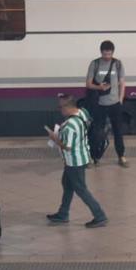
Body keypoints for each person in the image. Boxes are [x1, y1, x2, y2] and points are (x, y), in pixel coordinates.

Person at [47, 96, 108, 228]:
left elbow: (66, 146)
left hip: (74, 161)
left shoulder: (70, 125)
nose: (59, 110)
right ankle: (63, 213)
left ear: (68, 107)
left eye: (61, 107)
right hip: (81, 156)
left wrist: (54, 137)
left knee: (81, 189)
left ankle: (100, 215)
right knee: (67, 184)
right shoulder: (82, 112)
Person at [85, 40, 128, 167]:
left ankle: (121, 156)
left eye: (109, 54)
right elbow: (88, 84)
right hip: (99, 104)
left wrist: (120, 99)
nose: (107, 57)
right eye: (105, 54)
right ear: (101, 52)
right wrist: (99, 88)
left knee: (118, 131)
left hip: (115, 104)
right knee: (98, 132)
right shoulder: (95, 64)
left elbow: (122, 82)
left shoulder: (118, 64)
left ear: (113, 52)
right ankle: (95, 157)